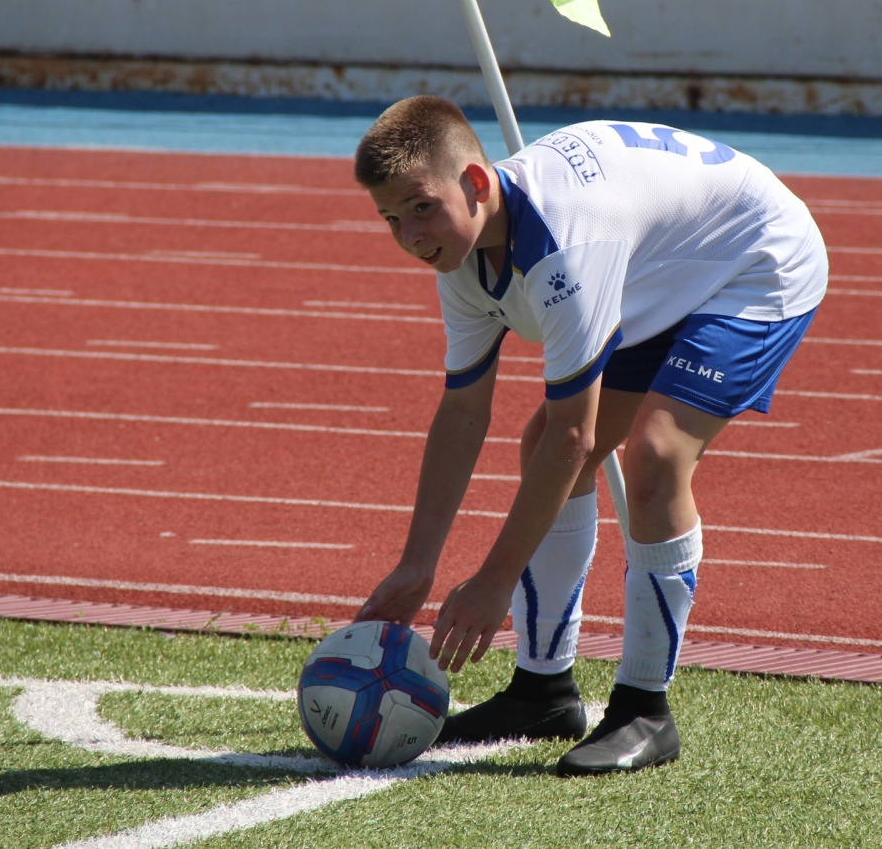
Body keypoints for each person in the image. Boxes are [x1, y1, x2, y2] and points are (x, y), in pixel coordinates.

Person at [351, 95, 826, 775]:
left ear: (476, 184)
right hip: (658, 266)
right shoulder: (459, 257)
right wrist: (416, 565)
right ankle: (543, 692)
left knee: (656, 455)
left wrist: (493, 581)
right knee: (539, 440)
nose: (410, 236)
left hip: (752, 258)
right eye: (390, 218)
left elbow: (575, 439)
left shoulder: (568, 248)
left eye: (421, 207)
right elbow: (463, 413)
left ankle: (644, 711)